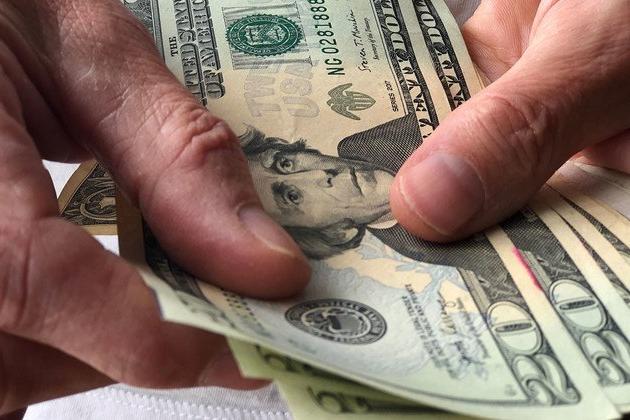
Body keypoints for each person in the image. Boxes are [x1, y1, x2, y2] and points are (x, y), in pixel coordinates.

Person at [0, 0, 627, 417]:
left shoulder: (386, 134)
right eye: (292, 196)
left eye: (284, 163)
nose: (315, 169)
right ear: (334, 236)